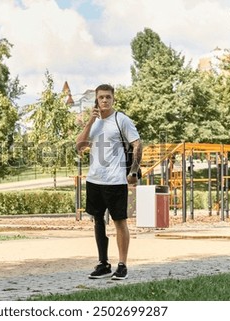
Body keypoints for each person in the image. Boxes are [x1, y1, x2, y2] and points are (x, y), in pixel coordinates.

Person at [76, 84, 142, 280]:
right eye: (101, 98)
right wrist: (89, 121)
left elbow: (137, 144)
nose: (104, 101)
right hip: (94, 180)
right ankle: (103, 263)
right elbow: (79, 146)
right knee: (98, 221)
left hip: (115, 181)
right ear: (96, 100)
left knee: (119, 222)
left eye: (107, 97)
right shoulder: (94, 123)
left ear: (113, 99)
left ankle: (122, 265)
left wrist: (134, 171)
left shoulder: (121, 120)